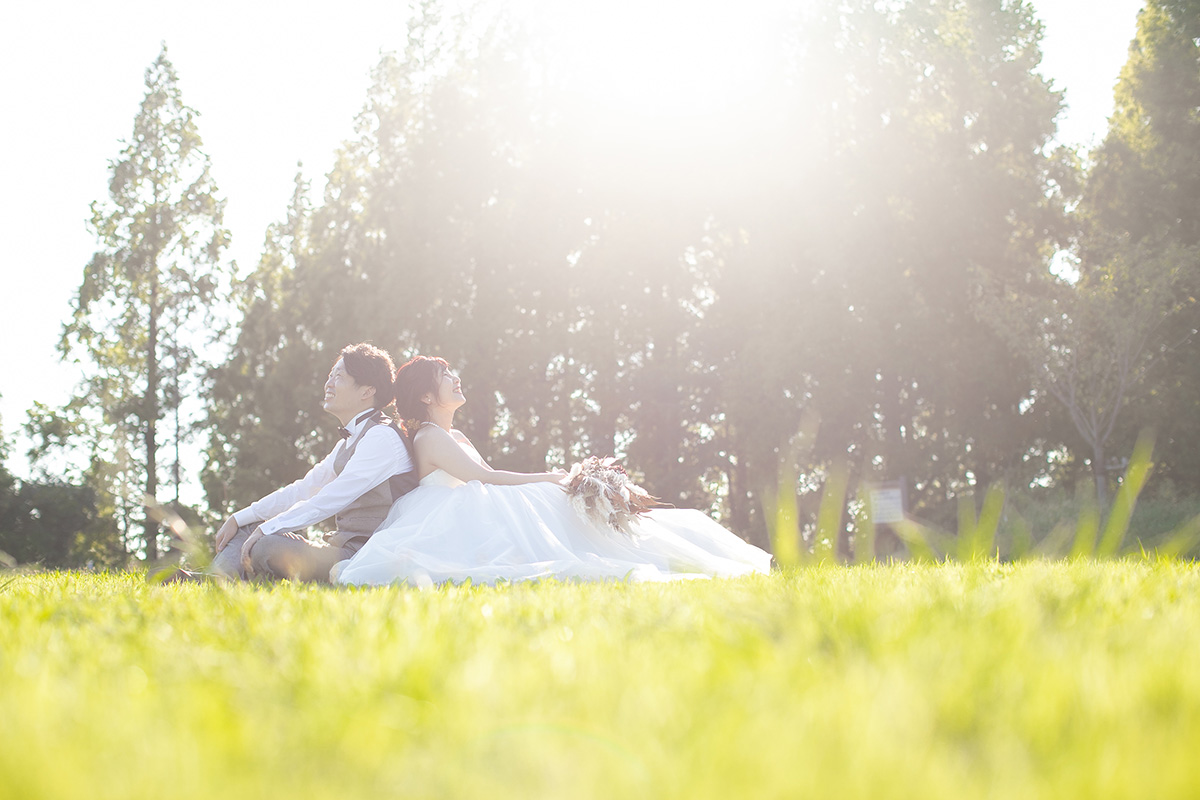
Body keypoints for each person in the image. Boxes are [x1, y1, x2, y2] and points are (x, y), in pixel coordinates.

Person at [333, 356, 771, 587]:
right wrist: (546, 477)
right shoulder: (428, 436)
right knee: (545, 499)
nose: (456, 377)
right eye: (445, 374)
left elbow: (486, 473)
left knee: (557, 504)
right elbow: (484, 478)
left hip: (477, 504)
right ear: (426, 395)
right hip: (451, 515)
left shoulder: (454, 434)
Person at [200, 343, 418, 582]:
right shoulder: (348, 441)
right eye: (330, 375)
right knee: (249, 525)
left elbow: (330, 498)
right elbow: (303, 489)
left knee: (267, 546)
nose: (329, 383)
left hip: (366, 555)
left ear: (367, 391)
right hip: (341, 549)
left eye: (339, 376)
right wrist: (241, 517)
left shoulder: (381, 437)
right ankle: (211, 580)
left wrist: (269, 529)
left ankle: (221, 579)